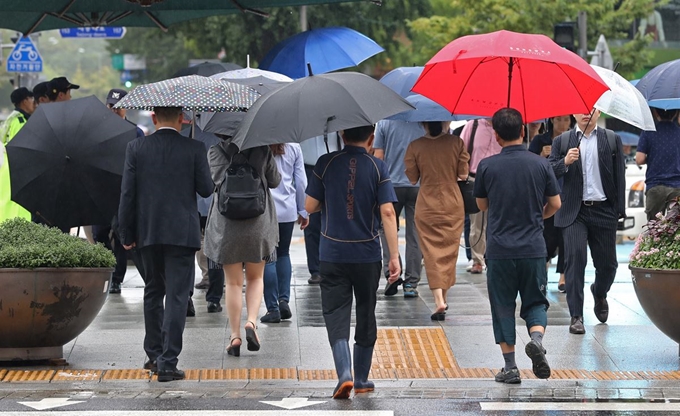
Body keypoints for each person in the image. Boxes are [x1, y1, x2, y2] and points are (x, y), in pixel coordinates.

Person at [117, 106, 213, 382]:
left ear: (155, 118)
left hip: (147, 232)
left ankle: (153, 354)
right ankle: (169, 362)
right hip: (182, 234)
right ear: (182, 119)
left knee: (153, 290)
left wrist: (126, 233)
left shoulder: (136, 148)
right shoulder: (194, 148)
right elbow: (206, 189)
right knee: (177, 296)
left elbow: (127, 193)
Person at [305, 125, 400, 399]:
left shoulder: (325, 162)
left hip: (332, 253)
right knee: (366, 311)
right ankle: (361, 378)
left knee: (335, 312)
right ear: (371, 137)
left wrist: (329, 198)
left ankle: (343, 373)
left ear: (342, 134)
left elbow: (310, 206)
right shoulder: (377, 167)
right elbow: (388, 212)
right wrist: (393, 256)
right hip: (367, 254)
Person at [474, 108, 561, 384]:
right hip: (534, 247)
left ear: (497, 136)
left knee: (502, 305)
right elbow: (556, 204)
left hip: (500, 250)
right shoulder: (540, 164)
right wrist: (539, 216)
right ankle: (536, 339)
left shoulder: (487, 166)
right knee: (535, 301)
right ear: (523, 132)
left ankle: (510, 368)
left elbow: (482, 205)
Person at [548, 109, 625, 335]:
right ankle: (576, 316)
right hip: (574, 212)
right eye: (581, 109)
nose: (586, 114)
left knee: (608, 265)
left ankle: (599, 292)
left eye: (591, 109)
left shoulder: (611, 139)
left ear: (598, 111)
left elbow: (620, 174)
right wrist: (564, 162)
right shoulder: (562, 141)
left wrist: (619, 211)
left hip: (603, 210)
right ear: (573, 112)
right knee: (575, 260)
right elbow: (548, 171)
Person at [203, 137, 281, 357]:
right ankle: (251, 323)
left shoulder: (215, 150)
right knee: (256, 278)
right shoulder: (262, 147)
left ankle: (235, 336)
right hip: (258, 222)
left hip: (226, 224)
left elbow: (212, 182)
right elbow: (274, 181)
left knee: (233, 283)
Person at [404, 121, 469, 320]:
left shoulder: (415, 146)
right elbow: (463, 173)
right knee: (449, 251)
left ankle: (438, 299)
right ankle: (444, 298)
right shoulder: (456, 143)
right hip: (452, 203)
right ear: (446, 122)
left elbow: (412, 178)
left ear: (422, 122)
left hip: (427, 204)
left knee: (431, 253)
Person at [94, 88, 147, 294]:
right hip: (100, 191)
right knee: (99, 234)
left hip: (124, 193)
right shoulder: (97, 131)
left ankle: (117, 277)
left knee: (121, 234)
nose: (115, 110)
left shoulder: (135, 132)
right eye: (110, 106)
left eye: (119, 107)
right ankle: (107, 270)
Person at [373, 119, 425, 297]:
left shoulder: (385, 122)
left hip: (390, 185)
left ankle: (393, 275)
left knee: (386, 229)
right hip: (418, 184)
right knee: (415, 233)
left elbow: (378, 156)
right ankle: (411, 283)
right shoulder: (423, 120)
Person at [261, 143, 308, 323]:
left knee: (268, 257)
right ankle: (284, 300)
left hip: (264, 209)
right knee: (283, 254)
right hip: (287, 209)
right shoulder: (295, 147)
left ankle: (272, 308)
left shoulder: (259, 144)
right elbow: (301, 181)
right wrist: (303, 210)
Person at [529, 115, 573, 292]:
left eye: (566, 120)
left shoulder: (573, 140)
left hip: (568, 195)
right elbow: (529, 165)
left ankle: (563, 275)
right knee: (547, 236)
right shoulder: (541, 140)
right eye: (559, 120)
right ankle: (543, 271)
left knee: (566, 238)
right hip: (545, 196)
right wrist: (541, 155)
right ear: (552, 121)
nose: (562, 124)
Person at [461, 118, 502, 274]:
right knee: (477, 223)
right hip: (476, 178)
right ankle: (477, 260)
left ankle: (495, 257)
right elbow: (462, 151)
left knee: (499, 221)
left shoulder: (503, 125)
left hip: (500, 179)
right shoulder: (473, 125)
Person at [300, 133, 342, 284]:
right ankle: (316, 269)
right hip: (309, 167)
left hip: (335, 164)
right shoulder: (305, 116)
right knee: (311, 220)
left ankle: (335, 264)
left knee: (335, 218)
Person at [635, 108, 680, 221]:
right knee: (675, 230)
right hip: (677, 186)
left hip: (655, 186)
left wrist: (652, 157)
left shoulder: (648, 132)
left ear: (655, 113)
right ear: (675, 113)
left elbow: (639, 159)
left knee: (654, 230)